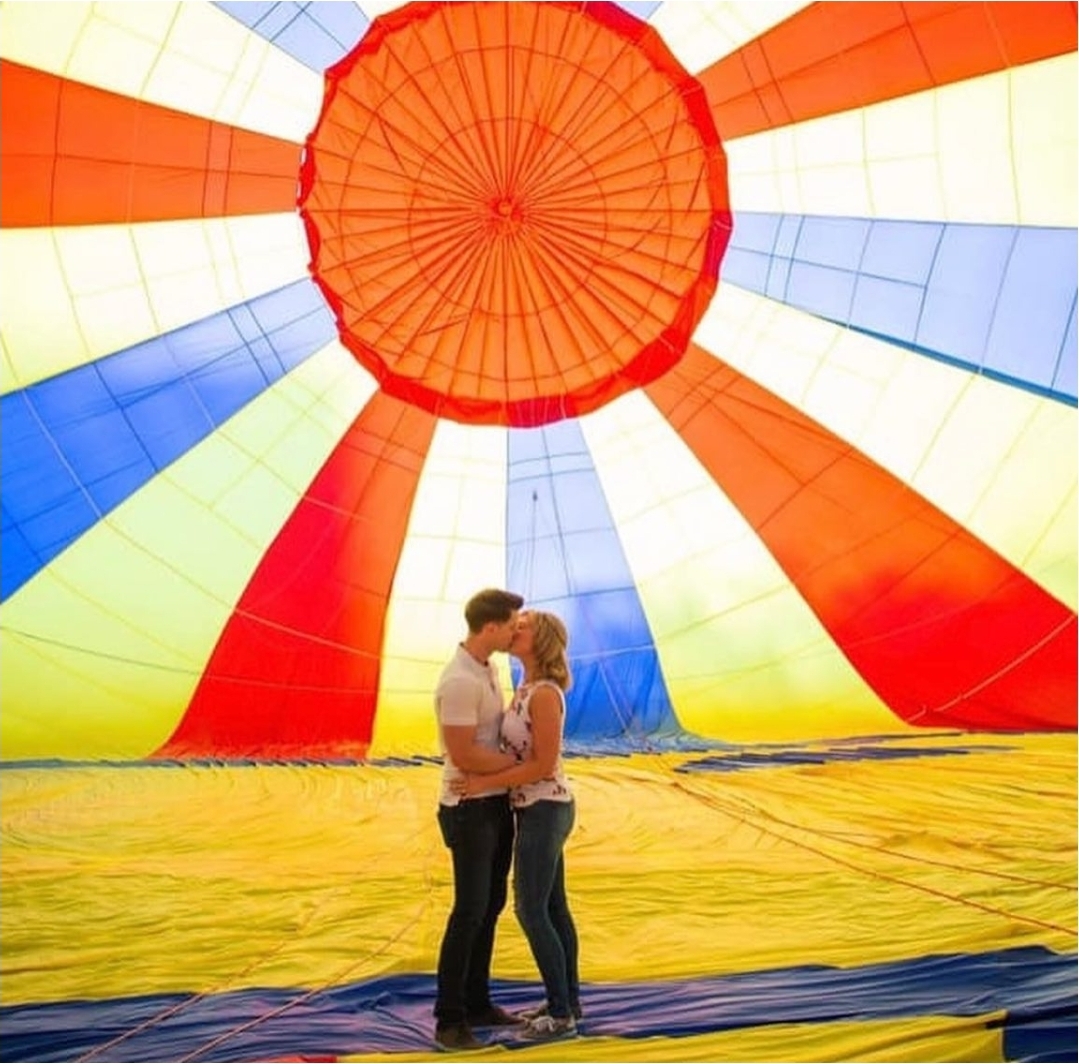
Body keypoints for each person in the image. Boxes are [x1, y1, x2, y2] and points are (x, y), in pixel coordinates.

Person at [453, 609, 581, 1042]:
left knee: (530, 908)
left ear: (538, 640)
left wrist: (486, 781)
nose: (514, 630)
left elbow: (543, 765)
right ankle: (567, 1000)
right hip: (535, 809)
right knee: (554, 908)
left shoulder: (544, 694)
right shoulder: (524, 687)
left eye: (522, 627)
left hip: (545, 808)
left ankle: (561, 1016)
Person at [433, 588, 527, 1051]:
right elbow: (464, 753)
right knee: (468, 911)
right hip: (468, 809)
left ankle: (477, 1002)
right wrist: (518, 771)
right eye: (513, 624)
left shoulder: (487, 670)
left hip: (492, 801)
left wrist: (504, 780)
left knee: (490, 907)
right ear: (491, 627)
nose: (517, 631)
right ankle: (449, 1020)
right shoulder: (459, 682)